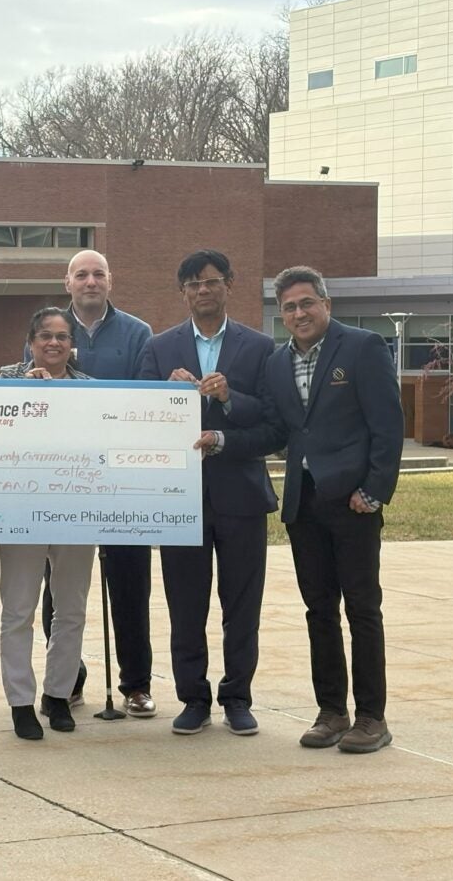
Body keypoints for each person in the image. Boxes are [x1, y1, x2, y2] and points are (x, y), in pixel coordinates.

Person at [195, 266, 404, 754]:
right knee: (319, 611)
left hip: (353, 501)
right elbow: (274, 431)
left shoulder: (362, 347)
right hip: (302, 502)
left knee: (362, 609)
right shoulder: (275, 362)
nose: (299, 313)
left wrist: (373, 491)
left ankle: (372, 716)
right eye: (289, 307)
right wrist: (223, 436)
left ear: (326, 304)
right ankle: (332, 711)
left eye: (307, 303)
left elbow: (389, 427)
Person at [138, 249, 277, 737]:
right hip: (180, 500)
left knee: (241, 606)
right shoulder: (159, 348)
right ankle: (193, 698)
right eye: (193, 283)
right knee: (186, 605)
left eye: (212, 281)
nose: (203, 290)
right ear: (183, 292)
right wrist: (165, 397)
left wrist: (228, 400)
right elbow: (139, 423)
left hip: (241, 497)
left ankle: (237, 697)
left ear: (230, 285)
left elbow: (272, 427)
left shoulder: (259, 348)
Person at [39, 249, 155, 716]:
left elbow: (145, 400)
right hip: (62, 481)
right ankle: (68, 680)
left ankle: (135, 684)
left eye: (98, 274)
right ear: (67, 282)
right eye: (81, 274)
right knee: (59, 588)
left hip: (120, 479)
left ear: (110, 281)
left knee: (130, 582)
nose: (90, 281)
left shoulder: (137, 333)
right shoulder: (48, 327)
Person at [0, 307, 95, 739]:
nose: (54, 343)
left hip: (76, 509)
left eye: (62, 336)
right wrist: (22, 392)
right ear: (31, 341)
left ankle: (58, 696)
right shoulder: (6, 381)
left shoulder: (92, 389)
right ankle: (20, 701)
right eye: (45, 336)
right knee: (19, 609)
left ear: (72, 344)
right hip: (21, 511)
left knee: (71, 608)